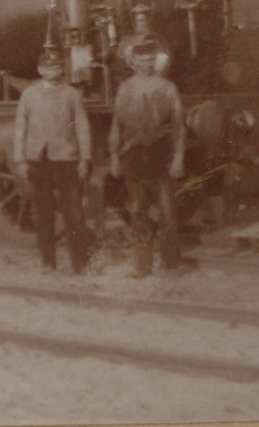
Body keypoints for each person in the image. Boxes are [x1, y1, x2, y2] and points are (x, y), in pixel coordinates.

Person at [108, 38, 190, 277]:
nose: (146, 65)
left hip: (161, 154)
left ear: (156, 61)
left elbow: (178, 126)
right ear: (133, 63)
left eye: (150, 60)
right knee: (137, 211)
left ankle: (171, 263)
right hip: (134, 156)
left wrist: (179, 157)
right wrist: (114, 156)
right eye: (142, 61)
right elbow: (116, 126)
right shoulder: (125, 89)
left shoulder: (167, 88)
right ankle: (142, 266)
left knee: (168, 212)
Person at [12, 47, 93, 272]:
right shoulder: (29, 95)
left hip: (66, 158)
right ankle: (48, 261)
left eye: (57, 66)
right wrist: (20, 159)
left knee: (73, 212)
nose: (53, 70)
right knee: (43, 212)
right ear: (40, 70)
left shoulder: (71, 94)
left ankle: (80, 263)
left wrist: (85, 158)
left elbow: (82, 127)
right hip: (39, 159)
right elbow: (20, 128)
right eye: (48, 67)